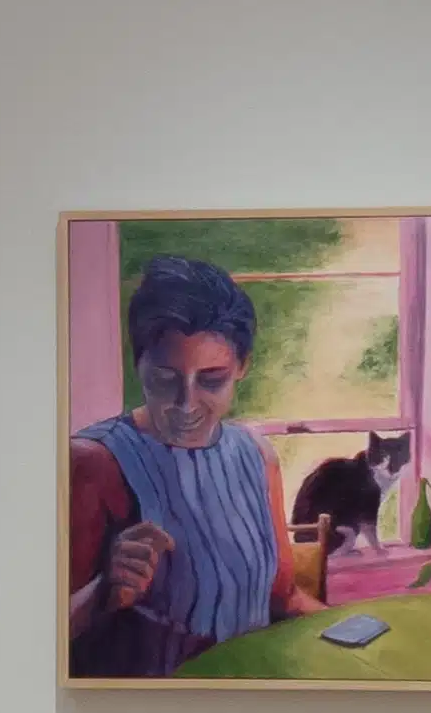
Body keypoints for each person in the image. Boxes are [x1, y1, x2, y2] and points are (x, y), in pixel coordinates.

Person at [68, 254, 289, 676]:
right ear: (139, 364)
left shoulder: (257, 455)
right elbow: (39, 637)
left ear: (242, 367)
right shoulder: (94, 462)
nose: (186, 404)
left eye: (211, 379)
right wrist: (104, 594)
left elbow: (283, 600)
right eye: (165, 378)